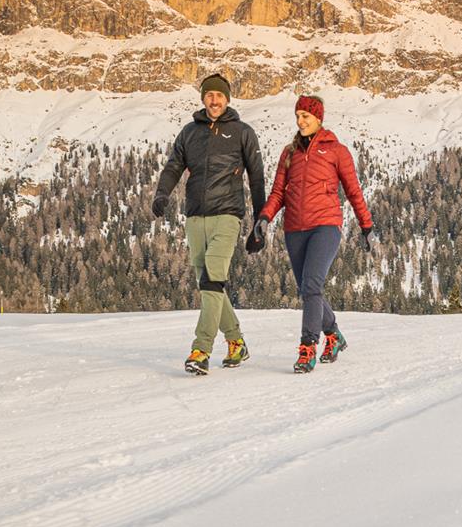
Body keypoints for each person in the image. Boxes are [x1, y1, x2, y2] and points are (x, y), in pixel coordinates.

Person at [153, 73, 268, 375]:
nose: (214, 100)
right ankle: (236, 341)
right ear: (203, 98)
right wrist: (162, 194)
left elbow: (256, 178)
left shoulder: (243, 132)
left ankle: (201, 349)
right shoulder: (189, 132)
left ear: (228, 99)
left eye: (219, 96)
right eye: (209, 95)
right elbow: (173, 166)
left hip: (228, 215)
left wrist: (260, 221)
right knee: (208, 284)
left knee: (213, 278)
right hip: (195, 217)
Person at [256, 94, 374, 374]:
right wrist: (264, 217)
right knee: (308, 290)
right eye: (297, 116)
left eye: (305, 116)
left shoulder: (336, 150)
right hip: (294, 229)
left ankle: (308, 346)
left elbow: (354, 192)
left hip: (325, 226)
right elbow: (278, 193)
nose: (300, 121)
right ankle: (333, 334)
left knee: (312, 286)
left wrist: (366, 226)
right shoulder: (289, 153)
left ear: (318, 118)